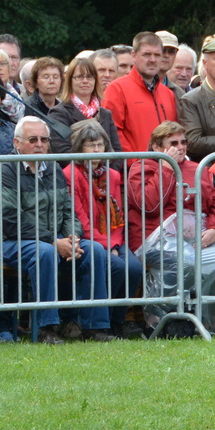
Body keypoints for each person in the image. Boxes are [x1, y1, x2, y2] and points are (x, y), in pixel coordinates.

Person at [0, 116, 111, 343]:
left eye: (44, 139)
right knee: (45, 253)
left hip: (53, 240)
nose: (39, 144)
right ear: (16, 143)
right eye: (33, 140)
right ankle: (46, 328)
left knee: (96, 251)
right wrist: (54, 241)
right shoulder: (4, 171)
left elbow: (69, 211)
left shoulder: (53, 168)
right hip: (8, 240)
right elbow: (11, 220)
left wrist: (73, 237)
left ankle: (94, 327)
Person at [129, 121, 215, 338]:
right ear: (157, 147)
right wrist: (167, 168)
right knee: (184, 260)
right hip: (153, 238)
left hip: (195, 237)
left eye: (183, 142)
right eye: (173, 143)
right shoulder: (141, 167)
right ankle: (161, 321)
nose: (181, 147)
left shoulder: (197, 169)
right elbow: (148, 205)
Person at [62, 119, 142, 336]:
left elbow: (118, 218)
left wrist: (114, 243)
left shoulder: (113, 175)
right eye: (91, 145)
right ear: (79, 148)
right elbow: (80, 220)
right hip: (87, 239)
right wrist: (107, 245)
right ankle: (98, 322)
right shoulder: (70, 174)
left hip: (112, 239)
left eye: (99, 144)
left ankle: (117, 320)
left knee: (134, 268)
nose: (96, 150)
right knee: (116, 265)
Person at [102, 32, 179, 156]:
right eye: (147, 54)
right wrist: (137, 163)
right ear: (134, 56)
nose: (153, 60)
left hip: (166, 168)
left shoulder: (168, 94)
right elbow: (112, 133)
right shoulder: (116, 89)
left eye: (157, 55)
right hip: (134, 171)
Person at [49, 55, 121, 152]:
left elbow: (117, 151)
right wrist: (89, 165)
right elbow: (61, 151)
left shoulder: (105, 114)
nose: (85, 81)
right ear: (70, 80)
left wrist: (105, 167)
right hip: (73, 167)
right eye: (79, 77)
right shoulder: (58, 113)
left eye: (90, 77)